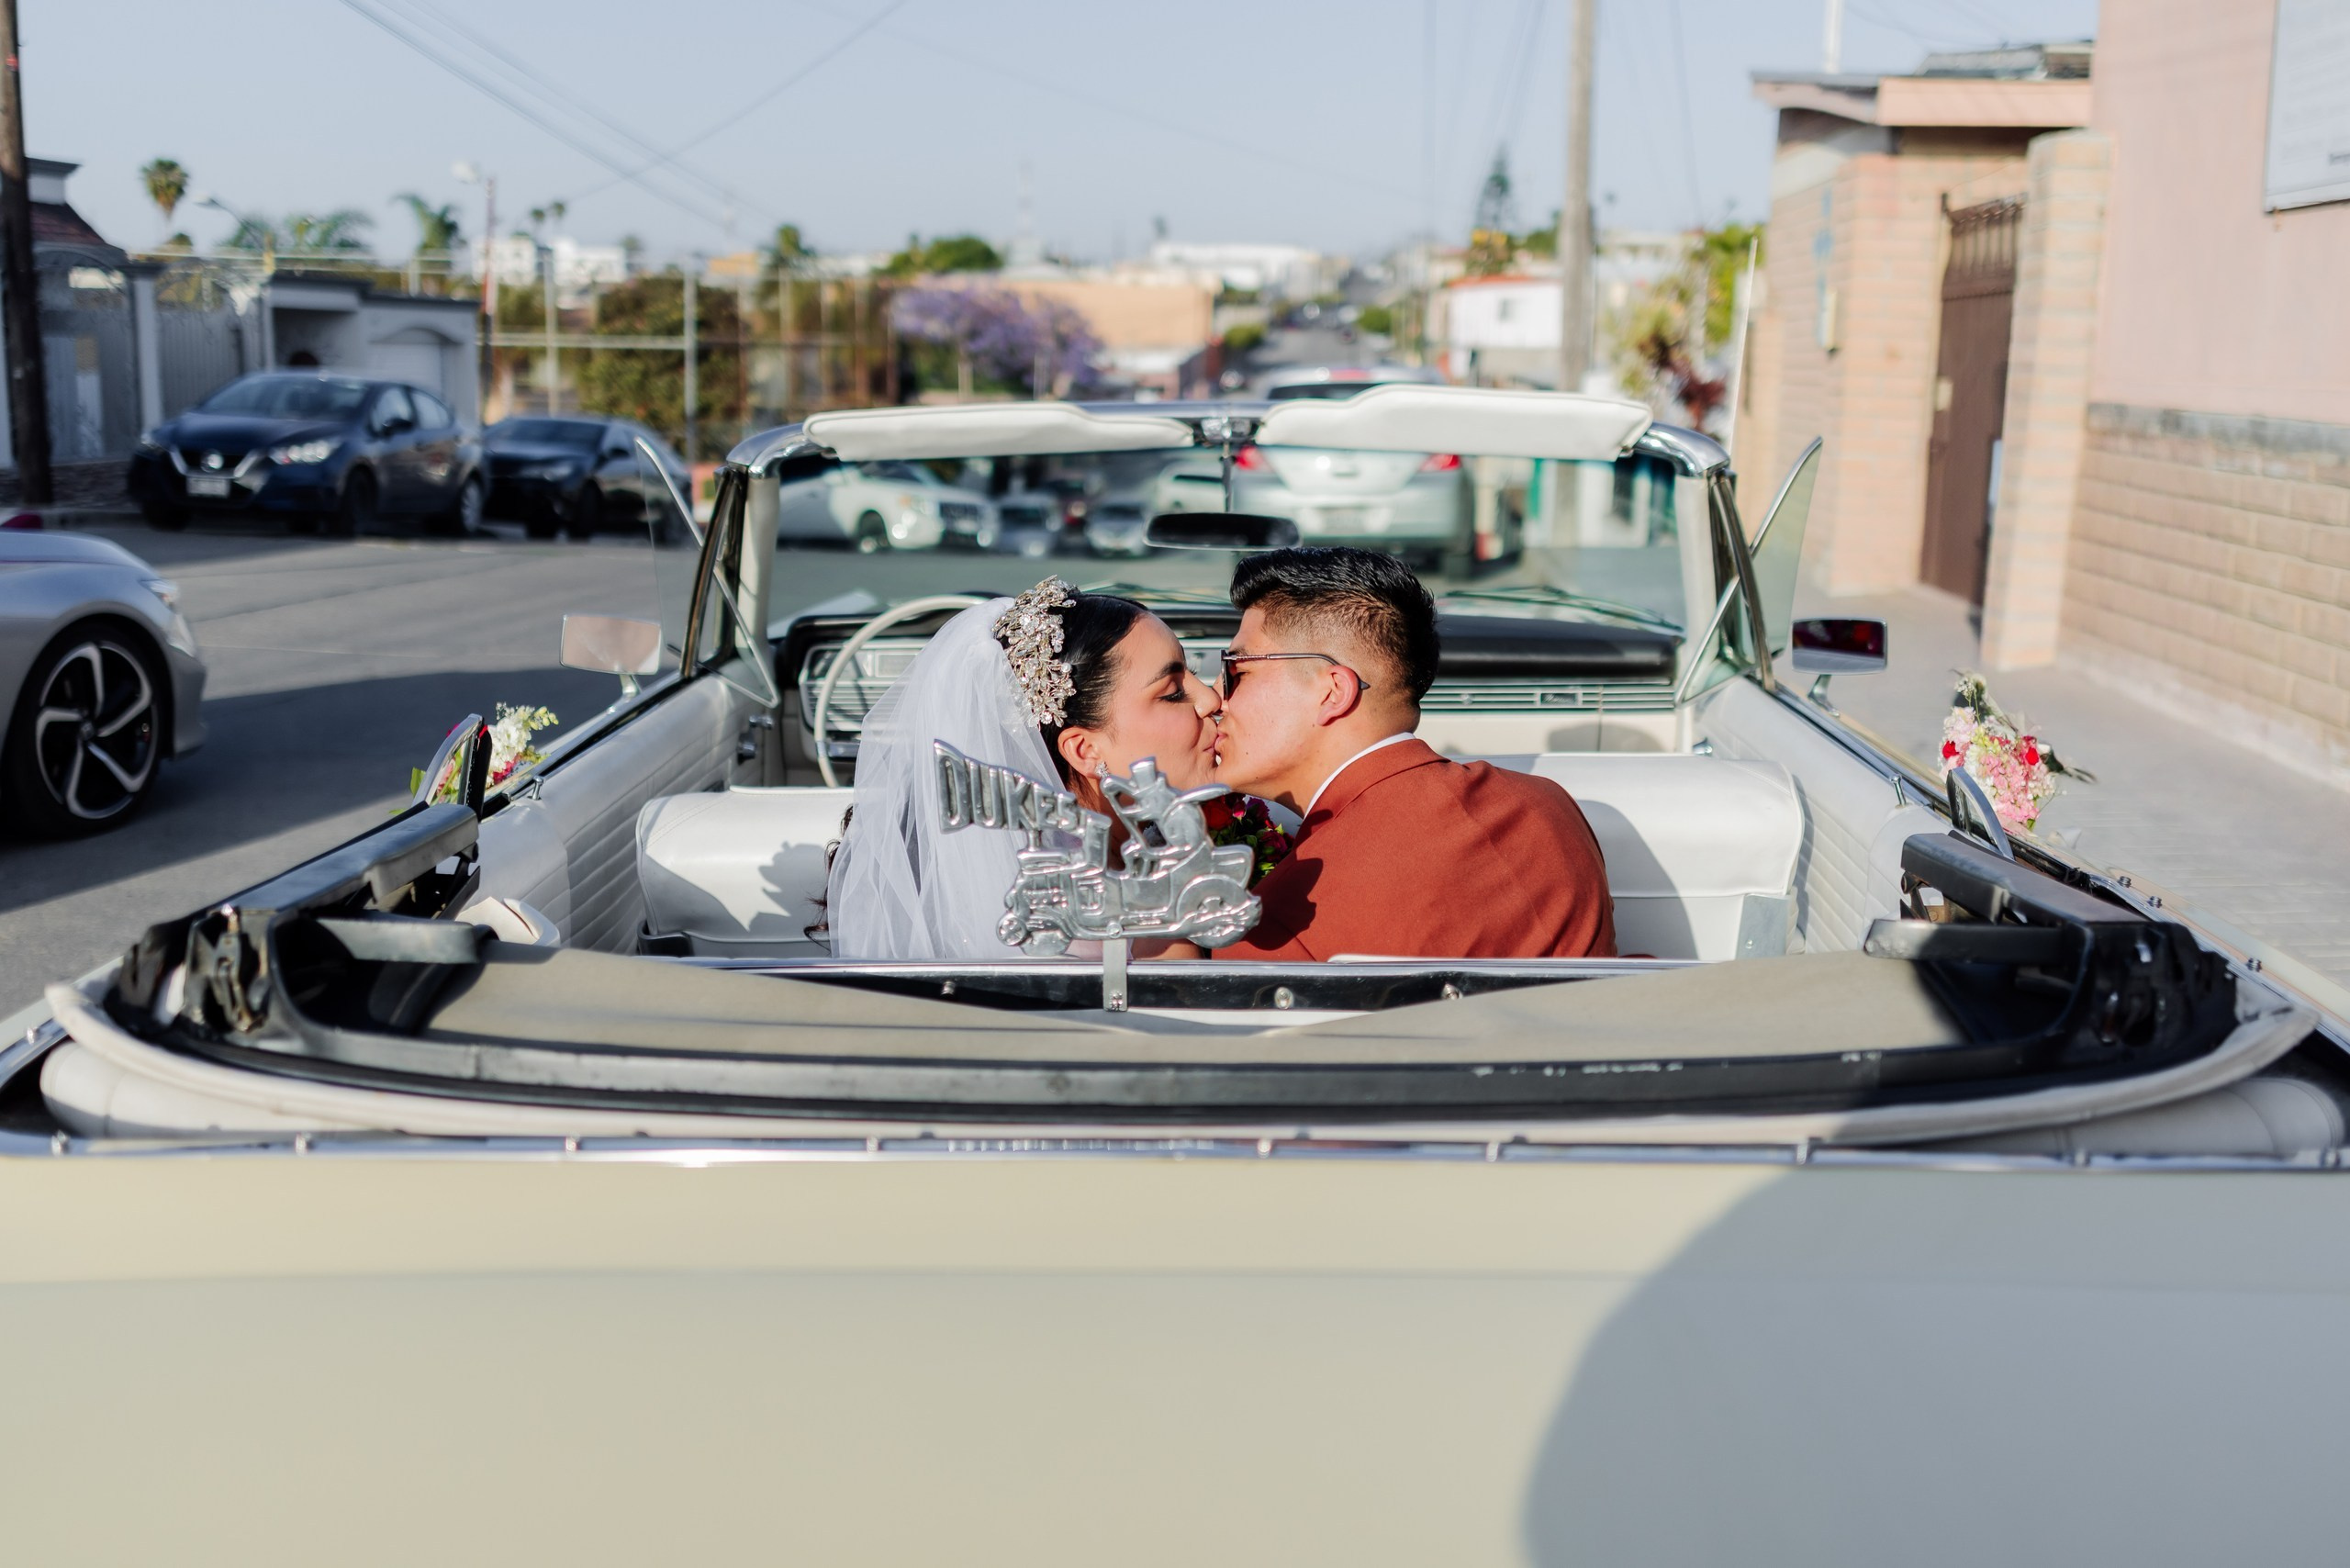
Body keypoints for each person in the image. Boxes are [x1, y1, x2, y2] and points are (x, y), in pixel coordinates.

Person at [1207, 546, 1617, 961]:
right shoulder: (1548, 808)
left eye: (1236, 670)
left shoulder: (1281, 924)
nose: (1214, 698)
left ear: (1332, 692)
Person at [827, 577, 1222, 960]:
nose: (1210, 699)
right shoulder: (1081, 913)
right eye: (1172, 693)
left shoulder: (1143, 840)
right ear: (1084, 750)